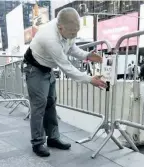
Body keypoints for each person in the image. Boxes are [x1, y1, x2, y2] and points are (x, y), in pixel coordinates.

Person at [23, 8, 106, 157]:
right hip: (34, 68)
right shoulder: (49, 38)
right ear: (60, 28)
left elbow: (71, 47)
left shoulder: (68, 27)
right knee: (39, 104)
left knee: (51, 102)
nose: (75, 35)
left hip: (47, 67)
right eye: (73, 33)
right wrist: (89, 79)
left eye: (76, 32)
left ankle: (53, 138)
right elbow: (66, 67)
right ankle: (37, 143)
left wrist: (87, 55)